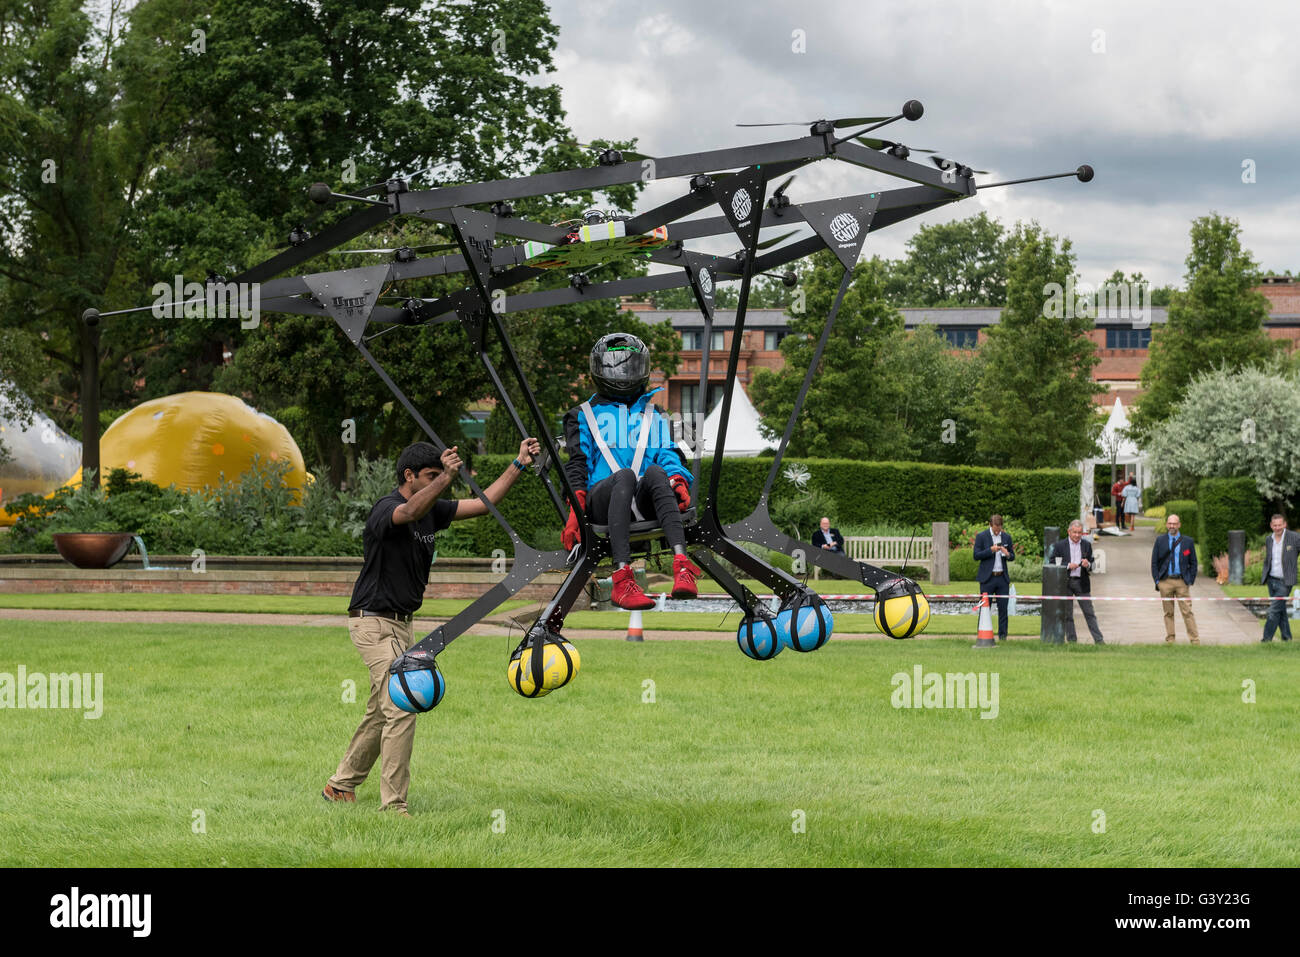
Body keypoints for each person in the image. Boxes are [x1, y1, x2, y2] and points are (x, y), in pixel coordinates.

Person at [323, 436, 541, 815]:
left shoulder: (431, 511)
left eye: (441, 475)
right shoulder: (386, 509)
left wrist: (518, 464)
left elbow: (483, 503)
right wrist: (448, 477)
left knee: (381, 710)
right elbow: (406, 514)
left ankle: (340, 786)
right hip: (373, 622)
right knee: (403, 703)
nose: (439, 480)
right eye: (430, 475)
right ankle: (394, 806)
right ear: (409, 476)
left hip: (402, 625)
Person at [561, 332, 700, 609]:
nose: (623, 374)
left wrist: (678, 480)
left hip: (644, 498)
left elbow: (667, 453)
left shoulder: (654, 414)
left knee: (658, 472)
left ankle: (682, 565)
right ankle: (622, 580)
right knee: (624, 475)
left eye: (630, 367)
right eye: (616, 367)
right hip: (603, 500)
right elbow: (578, 462)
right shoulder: (582, 415)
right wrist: (575, 507)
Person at [1048, 519, 1105, 644]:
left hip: (1082, 583)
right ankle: (1072, 641)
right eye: (1075, 532)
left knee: (1089, 613)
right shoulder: (1059, 546)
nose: (1077, 535)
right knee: (1068, 614)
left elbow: (1093, 565)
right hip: (1066, 583)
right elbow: (1052, 562)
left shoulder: (1086, 545)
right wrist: (1068, 565)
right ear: (1069, 532)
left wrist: (1088, 564)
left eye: (1079, 533)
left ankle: (1099, 640)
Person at [1150, 512, 1199, 645]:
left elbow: (1194, 562)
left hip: (1182, 582)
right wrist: (1157, 581)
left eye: (1174, 523)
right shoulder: (1160, 541)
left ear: (1179, 525)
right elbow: (1154, 562)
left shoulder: (1187, 542)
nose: (1172, 526)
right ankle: (1170, 639)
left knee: (1187, 612)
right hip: (1165, 582)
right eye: (1170, 523)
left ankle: (1194, 640)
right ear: (1167, 525)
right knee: (1168, 613)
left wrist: (1190, 580)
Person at [973, 514, 1015, 642]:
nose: (998, 531)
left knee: (1003, 609)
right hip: (987, 578)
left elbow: (1012, 556)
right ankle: (982, 635)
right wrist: (990, 550)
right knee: (985, 609)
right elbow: (976, 555)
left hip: (1002, 578)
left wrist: (1007, 554)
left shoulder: (1006, 537)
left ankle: (1003, 637)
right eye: (995, 529)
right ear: (990, 525)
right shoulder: (982, 536)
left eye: (999, 529)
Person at [1261, 513, 1299, 642]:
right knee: (1281, 610)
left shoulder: (1294, 538)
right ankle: (1287, 638)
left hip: (1285, 581)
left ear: (1284, 524)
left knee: (1273, 610)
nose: (1277, 527)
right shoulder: (1269, 539)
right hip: (1271, 580)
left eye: (1280, 525)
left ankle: (1266, 640)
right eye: (1275, 525)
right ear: (1271, 525)